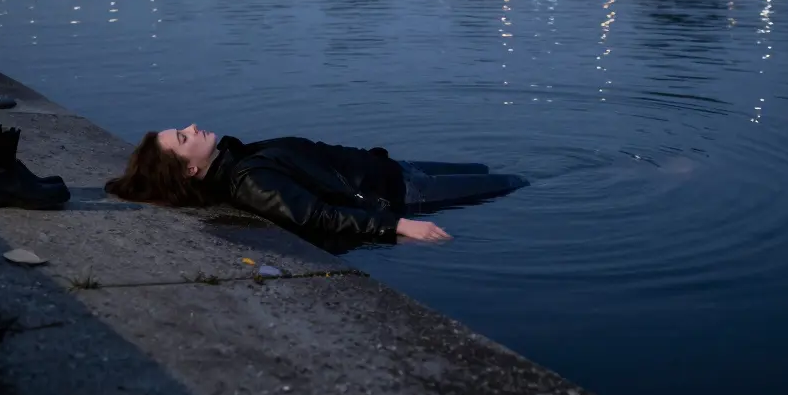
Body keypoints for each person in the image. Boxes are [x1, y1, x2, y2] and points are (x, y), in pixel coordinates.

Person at [104, 124, 529, 242]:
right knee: (517, 181)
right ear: (190, 171)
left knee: (487, 171)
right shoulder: (249, 180)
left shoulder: (239, 157)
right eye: (182, 138)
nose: (191, 127)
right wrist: (396, 224)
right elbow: (317, 216)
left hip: (396, 169)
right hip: (401, 194)